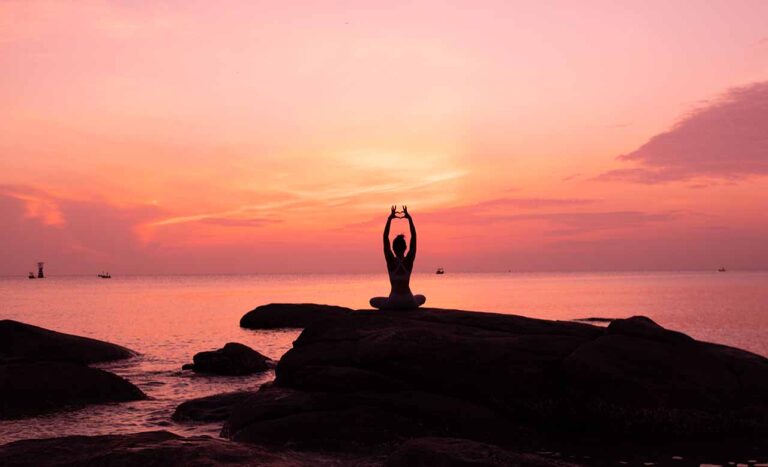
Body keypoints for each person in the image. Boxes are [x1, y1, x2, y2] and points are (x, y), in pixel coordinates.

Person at [369, 205, 426, 310]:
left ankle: (391, 302)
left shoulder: (390, 261)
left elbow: (385, 237)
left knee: (372, 301)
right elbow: (414, 237)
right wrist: (409, 219)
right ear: (405, 248)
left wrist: (390, 219)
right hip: (409, 301)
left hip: (393, 302)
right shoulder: (409, 260)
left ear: (393, 248)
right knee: (422, 297)